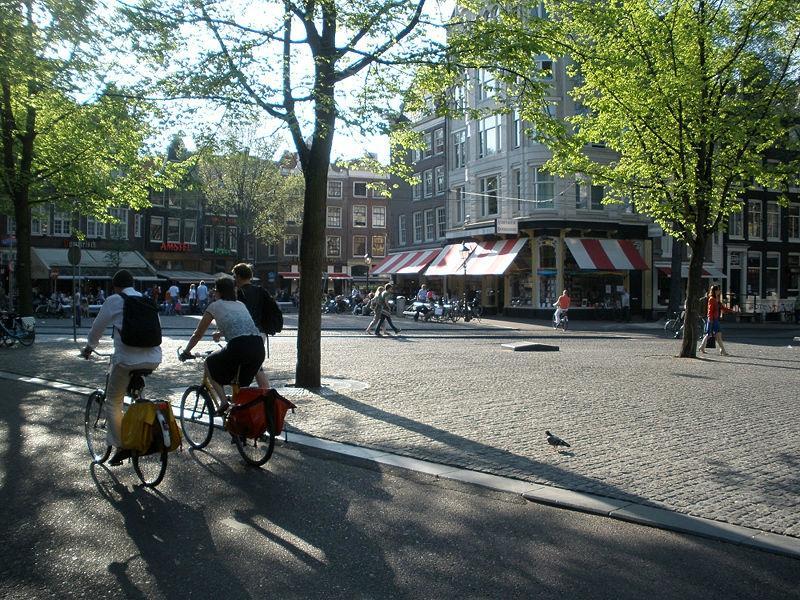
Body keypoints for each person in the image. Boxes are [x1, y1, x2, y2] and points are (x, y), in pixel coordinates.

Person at [80, 269, 162, 465]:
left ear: (115, 286)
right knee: (136, 395)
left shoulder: (114, 300)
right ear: (132, 283)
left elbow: (97, 327)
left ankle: (121, 445)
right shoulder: (146, 299)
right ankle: (142, 420)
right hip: (153, 357)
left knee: (113, 401)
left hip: (126, 360)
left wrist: (89, 348)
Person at [180, 275, 265, 414]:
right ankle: (238, 424)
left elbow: (198, 334)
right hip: (257, 346)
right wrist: (221, 334)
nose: (213, 292)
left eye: (214, 290)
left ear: (218, 292)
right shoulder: (240, 304)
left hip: (239, 347)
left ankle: (223, 401)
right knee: (238, 383)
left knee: (209, 362)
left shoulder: (214, 306)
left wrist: (186, 351)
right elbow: (241, 327)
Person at [231, 262, 270, 389]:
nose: (234, 279)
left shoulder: (240, 293)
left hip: (247, 334)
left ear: (238, 276)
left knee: (244, 364)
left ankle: (243, 396)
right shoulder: (259, 290)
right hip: (261, 332)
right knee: (255, 365)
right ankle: (266, 394)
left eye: (234, 276)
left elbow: (237, 315)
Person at [699, 284, 732, 356]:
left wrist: (731, 310)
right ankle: (722, 350)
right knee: (712, 334)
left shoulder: (716, 299)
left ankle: (702, 347)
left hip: (715, 319)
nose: (719, 291)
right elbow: (710, 310)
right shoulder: (712, 299)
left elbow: (722, 308)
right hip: (713, 319)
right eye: (718, 290)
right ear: (715, 291)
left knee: (713, 335)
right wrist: (710, 319)